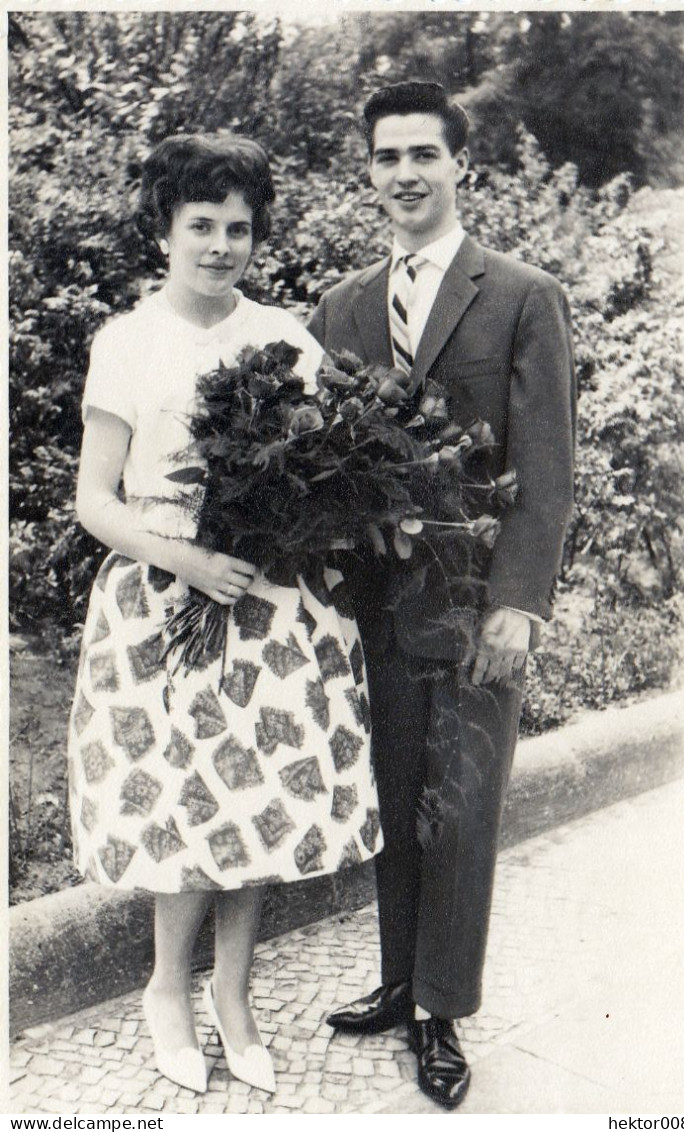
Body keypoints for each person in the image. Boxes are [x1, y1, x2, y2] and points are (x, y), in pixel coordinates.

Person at [67, 134, 381, 1097]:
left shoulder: (285, 337)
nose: (220, 245)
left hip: (268, 596)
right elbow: (97, 500)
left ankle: (234, 994)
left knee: (256, 797)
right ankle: (168, 988)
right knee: (184, 800)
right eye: (199, 224)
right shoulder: (127, 341)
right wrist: (190, 560)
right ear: (163, 229)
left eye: (238, 228)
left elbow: (326, 465)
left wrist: (293, 528)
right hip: (165, 594)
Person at [308, 81, 576, 1109]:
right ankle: (395, 980)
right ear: (369, 171)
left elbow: (546, 466)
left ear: (461, 166)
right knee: (391, 791)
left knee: (459, 807)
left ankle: (440, 1010)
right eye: (387, 156)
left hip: (474, 603)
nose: (405, 173)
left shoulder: (519, 293)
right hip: (377, 606)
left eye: (424, 153)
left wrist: (520, 602)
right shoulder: (339, 307)